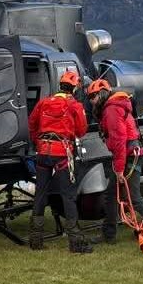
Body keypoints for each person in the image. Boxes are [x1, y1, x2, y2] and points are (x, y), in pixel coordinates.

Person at [87, 80, 143, 251]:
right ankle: (108, 234)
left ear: (102, 94)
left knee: (133, 198)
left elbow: (119, 141)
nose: (91, 100)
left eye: (93, 96)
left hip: (129, 156)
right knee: (111, 195)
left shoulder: (111, 110)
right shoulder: (115, 106)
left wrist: (119, 169)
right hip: (128, 155)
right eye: (90, 97)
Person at [27, 69, 92, 253]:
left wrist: (38, 142)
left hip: (43, 151)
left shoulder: (44, 102)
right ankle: (75, 242)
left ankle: (36, 241)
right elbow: (81, 130)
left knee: (40, 194)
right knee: (68, 196)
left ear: (60, 85)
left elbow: (32, 124)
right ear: (74, 88)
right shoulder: (74, 105)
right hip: (62, 153)